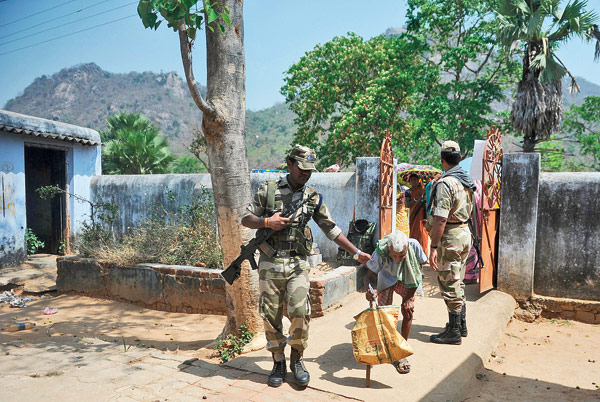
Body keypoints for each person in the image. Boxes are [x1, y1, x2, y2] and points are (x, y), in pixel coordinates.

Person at [241, 145, 372, 388]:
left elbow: (331, 229)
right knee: (270, 315)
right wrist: (268, 221)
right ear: (289, 164)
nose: (305, 174)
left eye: (309, 170)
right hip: (270, 262)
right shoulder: (268, 191)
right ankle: (278, 360)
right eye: (301, 169)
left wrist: (357, 252)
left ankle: (297, 358)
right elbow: (246, 219)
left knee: (301, 312)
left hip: (298, 263)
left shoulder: (312, 197)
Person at [426, 140, 476, 345]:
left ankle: (454, 331)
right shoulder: (465, 180)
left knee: (449, 282)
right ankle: (460, 325)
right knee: (458, 279)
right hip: (464, 233)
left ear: (442, 160)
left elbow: (441, 218)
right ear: (460, 158)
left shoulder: (446, 183)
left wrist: (434, 247)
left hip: (451, 236)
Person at [363, 230, 427, 374]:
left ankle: (401, 351)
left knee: (408, 311)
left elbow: (420, 269)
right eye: (394, 255)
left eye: (402, 255)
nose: (397, 259)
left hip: (408, 279)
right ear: (389, 249)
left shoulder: (414, 245)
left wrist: (409, 299)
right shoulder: (381, 250)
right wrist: (369, 290)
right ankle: (388, 346)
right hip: (387, 278)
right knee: (384, 314)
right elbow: (367, 276)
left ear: (407, 249)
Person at [405, 173, 430, 252]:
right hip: (413, 215)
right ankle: (413, 252)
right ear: (410, 182)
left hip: (422, 215)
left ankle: (423, 254)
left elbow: (426, 202)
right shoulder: (408, 192)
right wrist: (417, 197)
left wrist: (423, 194)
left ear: (418, 180)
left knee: (422, 234)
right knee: (413, 233)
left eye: (415, 180)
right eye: (412, 180)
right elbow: (408, 204)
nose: (414, 182)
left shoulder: (422, 190)